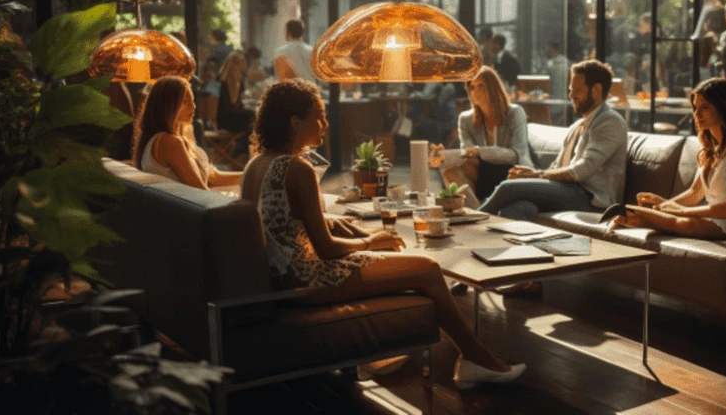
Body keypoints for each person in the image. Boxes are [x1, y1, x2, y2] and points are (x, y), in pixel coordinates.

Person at [238, 79, 525, 389]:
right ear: (295, 122)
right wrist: (368, 241)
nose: (325, 123)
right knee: (427, 269)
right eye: (318, 115)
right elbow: (327, 250)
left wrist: (335, 222)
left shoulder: (255, 165)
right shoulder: (298, 169)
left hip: (280, 279)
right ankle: (475, 358)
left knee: (394, 259)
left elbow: (282, 225)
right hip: (309, 280)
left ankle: (375, 355)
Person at [607, 78, 726, 239]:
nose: (697, 114)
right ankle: (638, 217)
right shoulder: (710, 148)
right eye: (695, 107)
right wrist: (664, 204)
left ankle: (641, 219)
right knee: (668, 216)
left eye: (705, 107)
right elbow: (695, 193)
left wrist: (680, 211)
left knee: (686, 223)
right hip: (717, 217)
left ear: (723, 108)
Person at [479, 59, 628, 221]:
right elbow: (557, 167)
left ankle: (471, 222)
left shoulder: (610, 122)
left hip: (592, 201)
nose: (571, 95)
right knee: (518, 208)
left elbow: (581, 171)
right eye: (570, 90)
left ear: (597, 90)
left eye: (576, 90)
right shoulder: (577, 126)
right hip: (568, 192)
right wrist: (532, 177)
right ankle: (513, 246)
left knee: (508, 188)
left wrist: (537, 175)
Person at [428, 67, 533, 207]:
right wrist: (444, 156)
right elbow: (468, 155)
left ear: (493, 88)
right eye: (471, 87)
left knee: (467, 161)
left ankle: (481, 212)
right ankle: (478, 213)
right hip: (483, 171)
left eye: (481, 86)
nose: (475, 91)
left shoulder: (514, 112)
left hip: (512, 170)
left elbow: (515, 155)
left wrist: (478, 151)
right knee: (450, 172)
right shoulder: (465, 119)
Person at [132, 76, 242, 189]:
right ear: (168, 106)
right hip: (190, 204)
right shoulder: (168, 142)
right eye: (186, 101)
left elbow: (214, 177)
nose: (193, 107)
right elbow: (200, 190)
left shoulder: (172, 139)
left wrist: (250, 175)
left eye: (192, 101)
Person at [274, 18, 318, 85]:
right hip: (310, 90)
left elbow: (280, 76)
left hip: (291, 91)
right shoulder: (311, 51)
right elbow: (316, 74)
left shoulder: (281, 52)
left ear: (288, 32)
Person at [544, 41, 570, 124]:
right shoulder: (566, 62)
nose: (547, 50)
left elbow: (545, 80)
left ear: (552, 49)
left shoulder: (550, 64)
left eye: (548, 48)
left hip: (555, 97)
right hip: (563, 97)